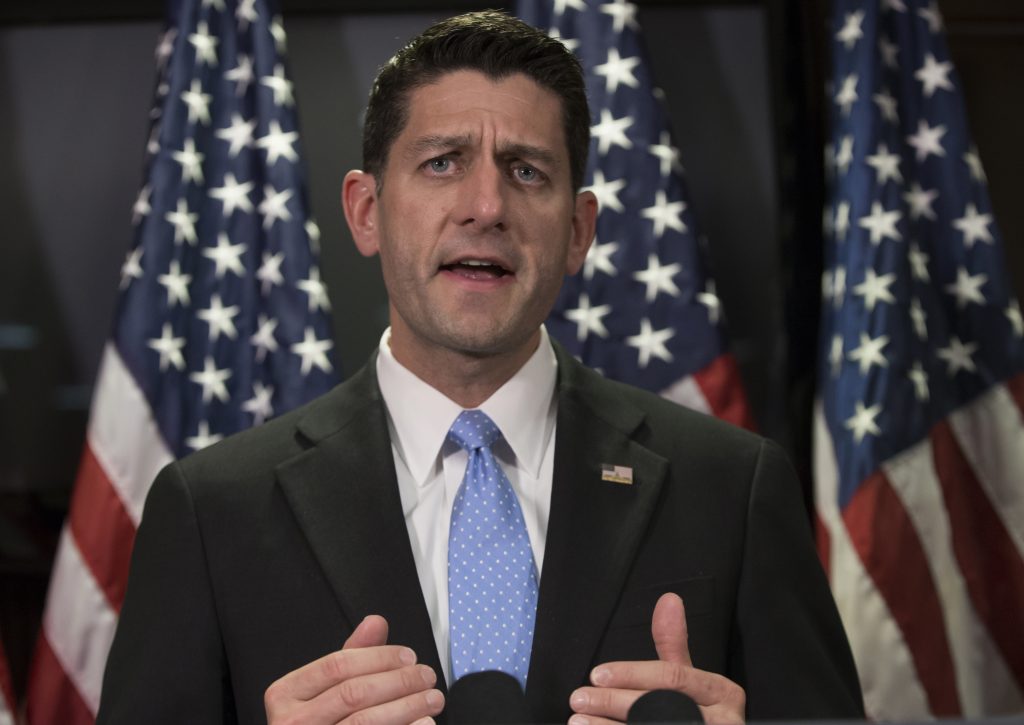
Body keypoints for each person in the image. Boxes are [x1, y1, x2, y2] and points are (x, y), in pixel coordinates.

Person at [98, 11, 864, 725]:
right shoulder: (210, 511)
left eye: (527, 171)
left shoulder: (733, 486)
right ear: (366, 212)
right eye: (442, 163)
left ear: (577, 230)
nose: (486, 205)